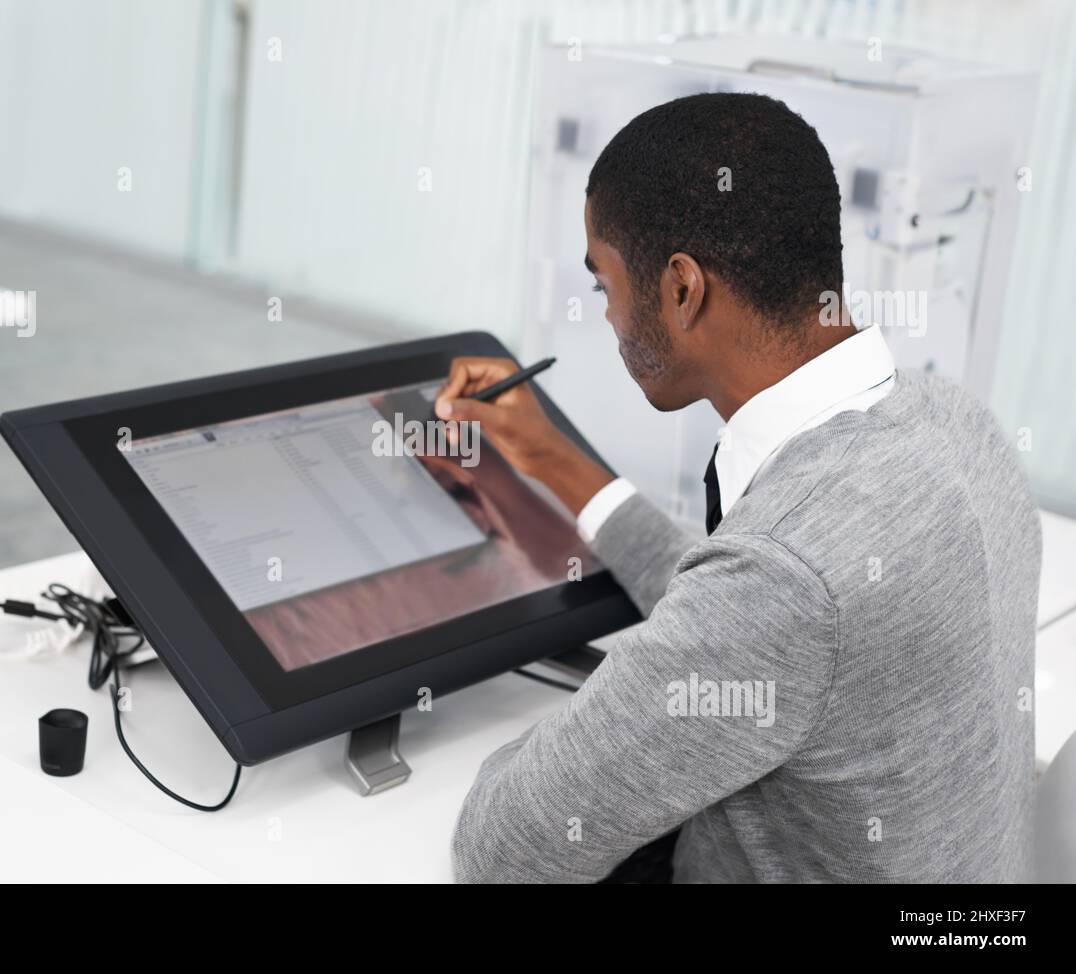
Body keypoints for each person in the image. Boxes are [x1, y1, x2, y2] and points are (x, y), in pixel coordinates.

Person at [440, 92, 1040, 883]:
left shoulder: (785, 583)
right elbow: (750, 610)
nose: (609, 317)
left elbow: (506, 850)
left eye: (604, 287)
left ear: (682, 289)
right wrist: (550, 456)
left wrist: (601, 733)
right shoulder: (959, 426)